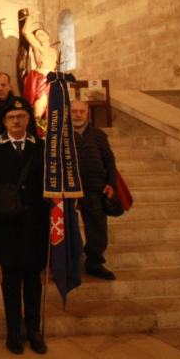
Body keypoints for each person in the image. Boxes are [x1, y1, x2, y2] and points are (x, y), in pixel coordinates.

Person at [0, 98, 49, 355]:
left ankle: (34, 330)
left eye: (21, 116)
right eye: (11, 117)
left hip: (35, 223)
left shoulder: (41, 147)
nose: (16, 121)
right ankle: (13, 331)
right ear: (5, 122)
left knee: (33, 280)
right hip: (5, 222)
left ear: (28, 120)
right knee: (10, 279)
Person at [71, 100, 118, 281]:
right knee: (69, 229)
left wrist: (111, 183)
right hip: (69, 191)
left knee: (97, 228)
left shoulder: (98, 135)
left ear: (87, 113)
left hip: (94, 189)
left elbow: (109, 161)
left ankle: (95, 262)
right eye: (74, 111)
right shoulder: (61, 136)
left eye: (81, 111)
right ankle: (70, 262)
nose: (78, 114)